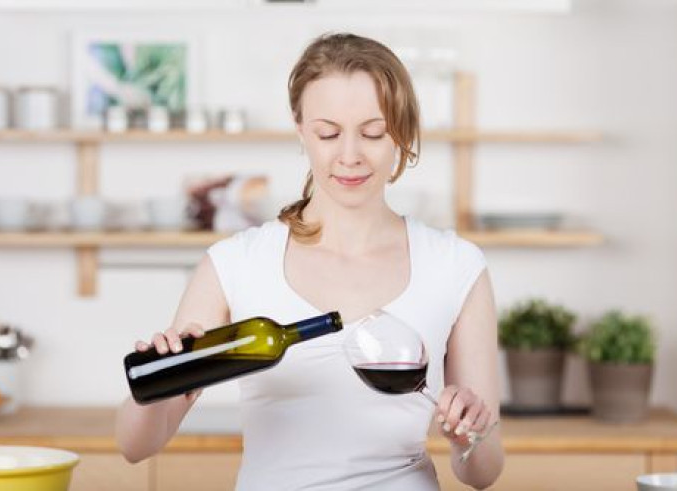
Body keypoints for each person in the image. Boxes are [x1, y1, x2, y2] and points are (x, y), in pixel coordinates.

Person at [116, 32, 504, 490]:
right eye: (328, 133)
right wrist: (166, 380)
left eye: (373, 132)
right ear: (301, 130)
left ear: (401, 131)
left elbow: (484, 472)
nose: (350, 155)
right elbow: (135, 446)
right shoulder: (235, 263)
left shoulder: (455, 265)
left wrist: (468, 436)